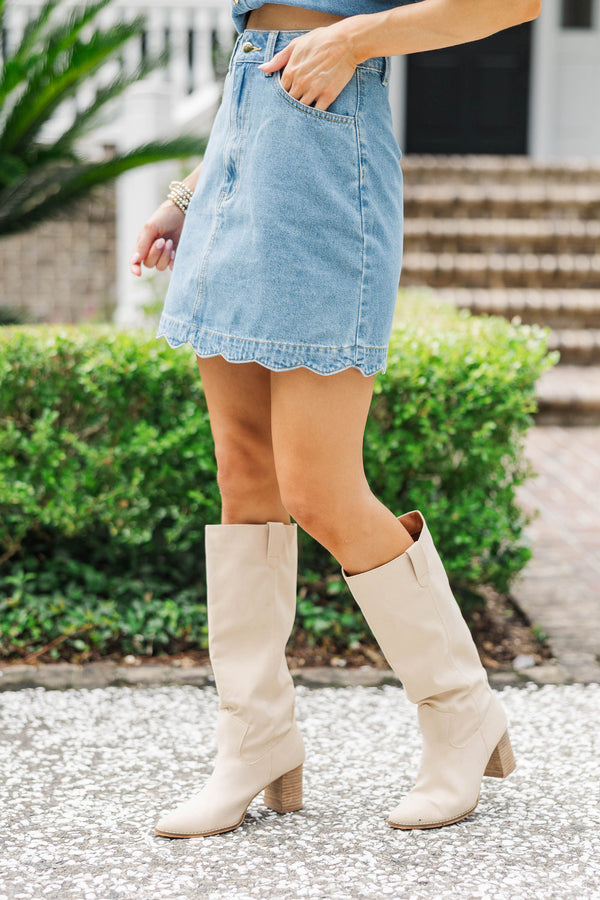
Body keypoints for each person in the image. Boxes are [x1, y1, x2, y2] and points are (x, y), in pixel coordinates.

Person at [130, 0, 541, 838]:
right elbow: (260, 55)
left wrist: (354, 39)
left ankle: (463, 712)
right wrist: (188, 190)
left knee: (319, 487)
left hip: (328, 166)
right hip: (238, 161)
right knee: (243, 475)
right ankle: (255, 737)